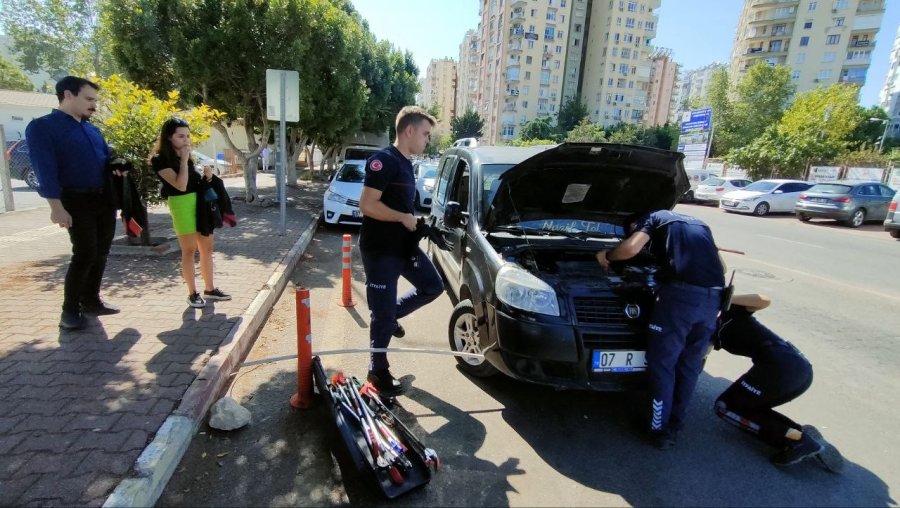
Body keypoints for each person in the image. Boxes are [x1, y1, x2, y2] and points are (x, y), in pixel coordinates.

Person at [596, 210, 724, 449]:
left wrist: (608, 256)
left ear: (636, 224)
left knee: (663, 365)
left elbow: (631, 249)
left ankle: (657, 429)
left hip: (680, 300)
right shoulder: (698, 223)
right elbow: (722, 265)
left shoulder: (652, 219)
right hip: (712, 299)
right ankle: (675, 423)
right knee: (688, 365)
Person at [26, 76, 124, 330]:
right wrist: (56, 207)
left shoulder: (92, 129)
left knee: (101, 252)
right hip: (75, 199)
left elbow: (106, 158)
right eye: (89, 99)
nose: (94, 105)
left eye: (95, 100)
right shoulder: (43, 127)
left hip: (103, 199)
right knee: (85, 253)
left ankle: (91, 301)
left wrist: (118, 165)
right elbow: (45, 169)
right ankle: (69, 311)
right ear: (68, 95)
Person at [358, 106, 444, 394]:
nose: (427, 140)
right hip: (380, 250)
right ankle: (377, 371)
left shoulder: (406, 163)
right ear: (409, 131)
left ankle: (389, 315)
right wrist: (402, 217)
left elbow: (399, 206)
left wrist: (416, 221)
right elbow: (367, 205)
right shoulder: (384, 160)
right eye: (425, 134)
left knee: (433, 286)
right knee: (380, 316)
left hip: (403, 247)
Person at [714, 293, 844, 472]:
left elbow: (763, 299)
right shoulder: (696, 319)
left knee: (726, 407)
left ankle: (797, 441)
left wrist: (723, 297)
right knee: (750, 407)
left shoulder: (728, 309)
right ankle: (797, 432)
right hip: (796, 368)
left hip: (782, 368)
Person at [150, 118, 231, 309]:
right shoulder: (160, 159)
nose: (186, 140)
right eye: (180, 136)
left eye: (187, 136)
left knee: (207, 249)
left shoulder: (188, 156)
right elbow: (180, 184)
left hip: (200, 205)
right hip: (181, 205)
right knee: (189, 250)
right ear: (169, 138)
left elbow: (194, 183)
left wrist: (208, 177)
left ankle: (210, 289)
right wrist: (185, 160)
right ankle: (192, 293)